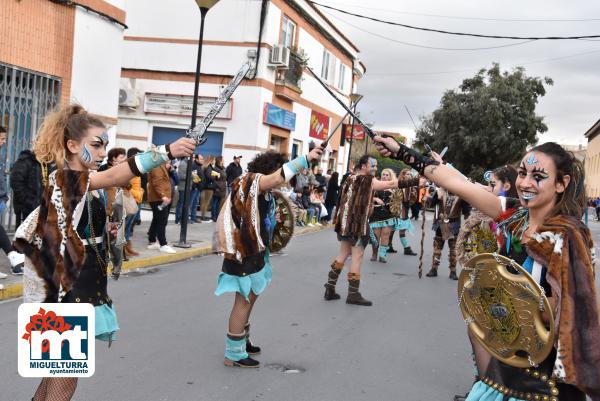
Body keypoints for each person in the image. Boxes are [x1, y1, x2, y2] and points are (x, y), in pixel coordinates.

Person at [374, 136, 600, 401]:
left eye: (538, 176)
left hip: (542, 382)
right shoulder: (515, 217)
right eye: (523, 173)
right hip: (504, 369)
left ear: (562, 184)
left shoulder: (567, 235)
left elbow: (573, 310)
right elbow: (456, 183)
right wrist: (401, 152)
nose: (525, 183)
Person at [13, 104, 195, 401]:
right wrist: (166, 151)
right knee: (66, 377)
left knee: (56, 371)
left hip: (82, 284)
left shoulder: (86, 184)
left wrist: (104, 233)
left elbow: (82, 223)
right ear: (72, 145)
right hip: (66, 290)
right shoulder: (65, 179)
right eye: (96, 145)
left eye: (105, 145)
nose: (102, 152)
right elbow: (112, 176)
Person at [214, 146, 323, 368]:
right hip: (244, 253)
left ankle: (241, 340)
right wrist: (306, 159)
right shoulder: (252, 181)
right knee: (243, 301)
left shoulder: (263, 191)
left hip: (255, 251)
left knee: (251, 298)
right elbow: (278, 177)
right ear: (270, 170)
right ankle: (232, 355)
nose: (284, 180)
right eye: (280, 171)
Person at [453, 165, 518, 401]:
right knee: (478, 334)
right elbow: (467, 183)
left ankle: (486, 389)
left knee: (485, 337)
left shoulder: (505, 212)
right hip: (484, 281)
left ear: (507, 186)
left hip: (498, 286)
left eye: (493, 184)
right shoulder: (496, 206)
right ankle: (481, 385)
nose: (488, 187)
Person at [323, 155, 421, 306]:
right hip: (357, 225)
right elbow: (393, 183)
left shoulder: (350, 178)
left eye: (376, 166)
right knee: (357, 256)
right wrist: (417, 181)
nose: (375, 168)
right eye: (372, 166)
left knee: (343, 254)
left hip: (344, 224)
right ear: (363, 166)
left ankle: (330, 287)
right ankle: (353, 294)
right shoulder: (368, 180)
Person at [426, 185, 471, 280]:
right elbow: (430, 204)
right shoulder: (440, 192)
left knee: (453, 249)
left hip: (454, 225)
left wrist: (469, 224)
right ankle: (434, 269)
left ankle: (453, 271)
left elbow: (467, 211)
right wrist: (432, 197)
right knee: (437, 247)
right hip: (440, 224)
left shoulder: (461, 196)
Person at [10, 148, 52, 227]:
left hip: (43, 208)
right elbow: (16, 182)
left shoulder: (47, 163)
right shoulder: (26, 160)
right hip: (27, 209)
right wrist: (28, 201)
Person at [369, 168, 400, 263]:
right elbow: (367, 195)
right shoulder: (375, 185)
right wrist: (375, 198)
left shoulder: (394, 188)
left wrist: (394, 196)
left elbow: (398, 201)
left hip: (388, 215)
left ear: (390, 176)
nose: (385, 176)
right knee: (375, 236)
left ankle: (382, 255)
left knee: (386, 235)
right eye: (383, 174)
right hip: (376, 214)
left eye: (387, 175)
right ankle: (374, 254)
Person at [147, 159, 176, 254]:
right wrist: (163, 195)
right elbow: (157, 183)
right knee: (161, 221)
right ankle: (163, 244)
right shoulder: (157, 166)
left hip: (159, 198)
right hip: (158, 199)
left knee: (156, 220)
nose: (170, 163)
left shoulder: (161, 166)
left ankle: (152, 241)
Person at [123, 148, 144, 258]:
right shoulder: (128, 168)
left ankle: (127, 249)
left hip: (136, 200)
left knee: (130, 227)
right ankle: (123, 251)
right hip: (130, 200)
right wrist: (138, 193)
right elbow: (126, 187)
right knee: (124, 227)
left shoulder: (137, 168)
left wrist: (140, 192)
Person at [199, 155, 215, 221]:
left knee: (203, 202)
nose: (214, 161)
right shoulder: (209, 167)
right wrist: (215, 176)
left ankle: (202, 216)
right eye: (214, 160)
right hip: (208, 187)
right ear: (211, 160)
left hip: (203, 186)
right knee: (206, 203)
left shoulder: (203, 166)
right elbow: (209, 176)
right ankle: (203, 216)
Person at [211, 156, 226, 221]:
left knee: (218, 204)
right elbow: (213, 179)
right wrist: (218, 186)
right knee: (215, 203)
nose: (224, 161)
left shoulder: (222, 169)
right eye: (223, 160)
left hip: (222, 189)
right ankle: (213, 216)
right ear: (220, 161)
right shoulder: (216, 169)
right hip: (217, 188)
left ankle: (217, 216)